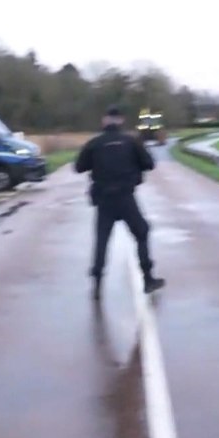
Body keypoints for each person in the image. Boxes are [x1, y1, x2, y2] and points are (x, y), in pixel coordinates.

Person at [74, 106, 165, 299]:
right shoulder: (131, 142)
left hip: (104, 200)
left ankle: (97, 284)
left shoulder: (94, 143)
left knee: (101, 241)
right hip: (126, 198)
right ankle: (148, 279)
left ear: (104, 120)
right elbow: (149, 163)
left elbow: (79, 167)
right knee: (142, 232)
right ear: (121, 120)